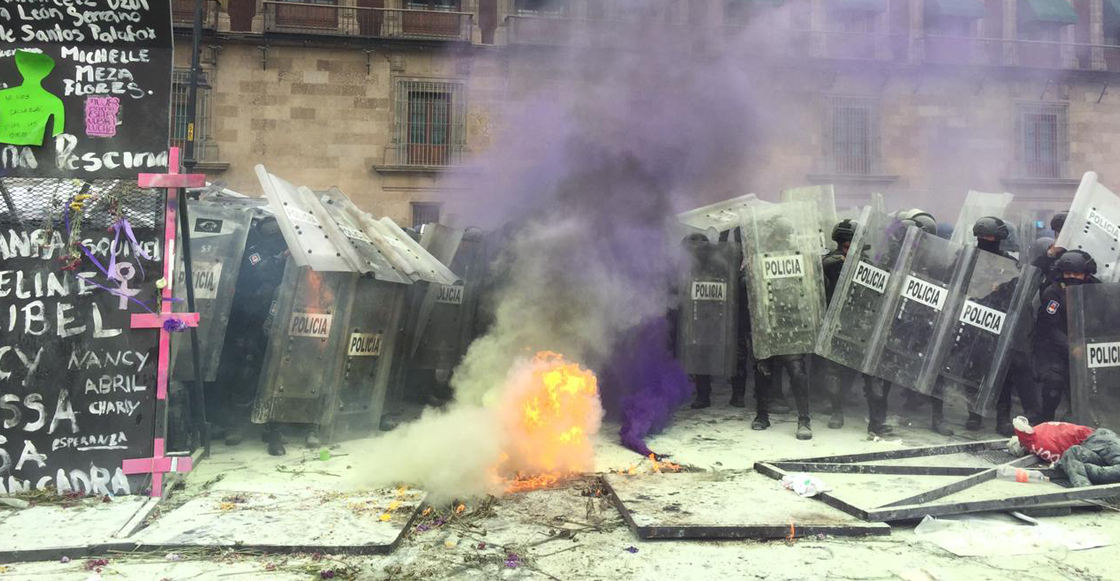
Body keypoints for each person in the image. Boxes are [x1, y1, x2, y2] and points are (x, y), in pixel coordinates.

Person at [970, 217, 1041, 435]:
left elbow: (1018, 294)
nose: (984, 240)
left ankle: (1002, 417)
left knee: (1004, 373)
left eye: (989, 237)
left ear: (999, 238)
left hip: (1000, 323)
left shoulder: (1010, 264)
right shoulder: (968, 258)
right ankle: (974, 414)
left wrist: (999, 288)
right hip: (973, 320)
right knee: (974, 370)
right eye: (981, 237)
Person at [818, 219, 874, 430]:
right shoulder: (831, 261)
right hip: (836, 321)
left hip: (859, 323)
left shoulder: (867, 263)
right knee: (834, 368)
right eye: (845, 242)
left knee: (856, 368)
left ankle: (872, 417)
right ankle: (836, 411)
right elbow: (824, 270)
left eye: (853, 242)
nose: (849, 246)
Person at [1033, 249, 1100, 422]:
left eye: (1076, 273)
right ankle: (1045, 422)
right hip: (1055, 348)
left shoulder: (1097, 289)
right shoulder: (1053, 293)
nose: (1071, 277)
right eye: (1067, 273)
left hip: (1088, 345)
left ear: (1086, 274)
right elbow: (1051, 327)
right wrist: (1072, 347)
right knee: (1054, 383)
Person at [1009, 417, 1120, 487]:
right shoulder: (1040, 430)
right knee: (1073, 454)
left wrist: (1063, 465)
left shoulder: (1038, 442)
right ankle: (1084, 490)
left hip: (1099, 438)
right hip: (1092, 442)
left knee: (1071, 458)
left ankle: (1084, 490)